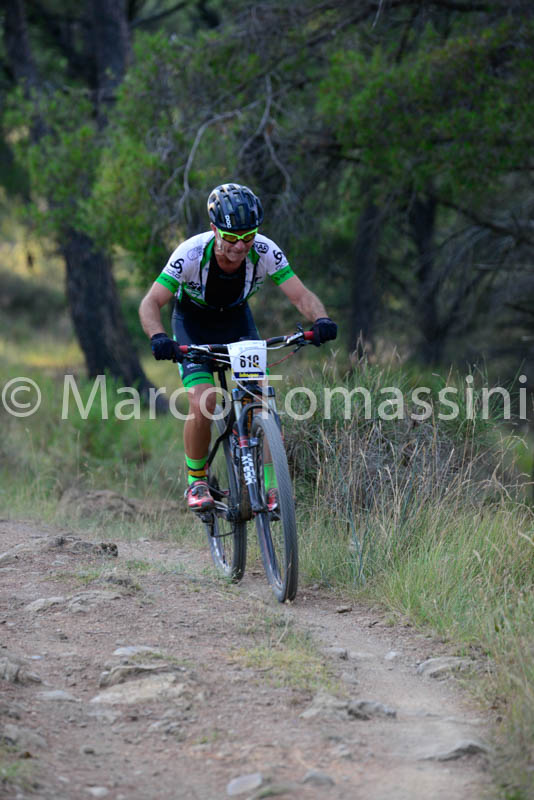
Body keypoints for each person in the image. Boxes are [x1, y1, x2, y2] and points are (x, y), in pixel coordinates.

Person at [139, 183, 337, 512]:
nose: (240, 246)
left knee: (261, 403)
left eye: (247, 237)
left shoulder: (265, 250)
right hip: (192, 325)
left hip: (237, 323)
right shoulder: (191, 253)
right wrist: (158, 337)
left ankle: (273, 489)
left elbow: (301, 295)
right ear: (214, 229)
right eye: (231, 238)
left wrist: (321, 319)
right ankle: (196, 480)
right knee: (204, 401)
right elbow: (150, 302)